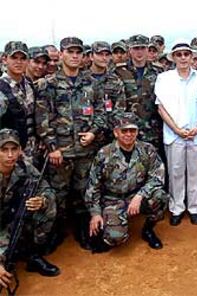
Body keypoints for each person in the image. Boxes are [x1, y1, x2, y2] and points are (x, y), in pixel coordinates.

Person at [35, 37, 106, 250]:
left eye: (78, 52)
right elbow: (42, 118)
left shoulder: (91, 83)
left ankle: (83, 231)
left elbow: (102, 113)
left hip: (85, 151)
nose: (75, 56)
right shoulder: (48, 84)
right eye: (70, 51)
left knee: (84, 192)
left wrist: (93, 133)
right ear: (61, 54)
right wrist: (52, 147)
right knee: (58, 194)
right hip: (61, 152)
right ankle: (56, 233)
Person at [85, 113, 168, 251]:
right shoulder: (104, 154)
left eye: (132, 130)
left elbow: (158, 176)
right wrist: (95, 214)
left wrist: (140, 195)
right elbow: (93, 186)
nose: (129, 134)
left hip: (136, 195)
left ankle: (148, 230)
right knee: (115, 238)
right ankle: (111, 224)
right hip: (113, 199)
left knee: (160, 196)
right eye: (124, 130)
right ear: (116, 132)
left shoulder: (147, 150)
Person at [155, 40, 197, 226]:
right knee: (176, 172)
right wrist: (176, 129)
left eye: (186, 54)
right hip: (173, 134)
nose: (183, 58)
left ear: (192, 56)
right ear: (174, 58)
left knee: (196, 173)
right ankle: (177, 208)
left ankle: (194, 208)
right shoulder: (164, 78)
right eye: (179, 55)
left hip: (196, 134)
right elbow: (161, 108)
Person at [0, 128, 60, 288]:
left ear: (20, 150)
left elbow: (47, 190)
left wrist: (42, 201)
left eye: (14, 149)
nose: (10, 155)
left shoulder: (24, 167)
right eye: (4, 150)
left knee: (50, 205)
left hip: (13, 220)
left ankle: (32, 254)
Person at [0, 41, 36, 151]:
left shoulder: (29, 84)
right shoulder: (1, 87)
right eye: (14, 58)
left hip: (33, 148)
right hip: (9, 152)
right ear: (5, 59)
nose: (18, 62)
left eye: (23, 58)